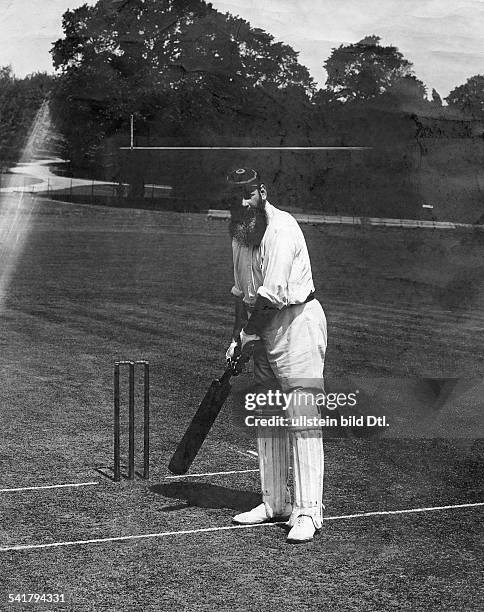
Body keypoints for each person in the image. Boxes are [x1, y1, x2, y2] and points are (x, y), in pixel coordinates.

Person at [225, 167, 327, 544]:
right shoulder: (238, 234)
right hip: (262, 324)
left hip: (297, 323)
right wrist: (237, 336)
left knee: (301, 415)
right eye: (234, 195)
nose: (241, 201)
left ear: (262, 192)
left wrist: (250, 333)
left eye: (247, 193)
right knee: (268, 412)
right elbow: (243, 294)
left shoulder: (282, 231)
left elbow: (270, 297)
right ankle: (274, 503)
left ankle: (308, 511)